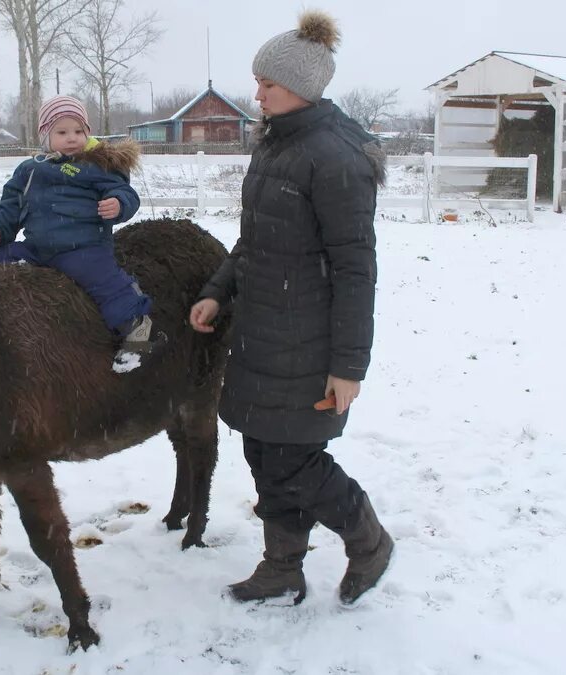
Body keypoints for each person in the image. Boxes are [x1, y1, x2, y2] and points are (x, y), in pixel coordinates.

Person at [189, 10, 393, 605]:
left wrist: (349, 366)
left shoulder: (335, 157)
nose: (257, 94)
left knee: (294, 462)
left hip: (309, 345)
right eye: (257, 81)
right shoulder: (278, 147)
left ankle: (369, 541)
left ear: (301, 87)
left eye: (267, 84)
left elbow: (357, 268)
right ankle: (283, 566)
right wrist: (216, 290)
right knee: (265, 453)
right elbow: (256, 239)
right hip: (262, 334)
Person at [0, 95, 153, 358]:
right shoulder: (30, 169)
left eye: (78, 131)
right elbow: (11, 204)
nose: (71, 138)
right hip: (36, 248)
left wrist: (118, 204)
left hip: (83, 247)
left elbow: (125, 192)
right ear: (45, 137)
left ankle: (134, 322)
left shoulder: (98, 166)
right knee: (0, 263)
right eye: (62, 132)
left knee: (102, 280)